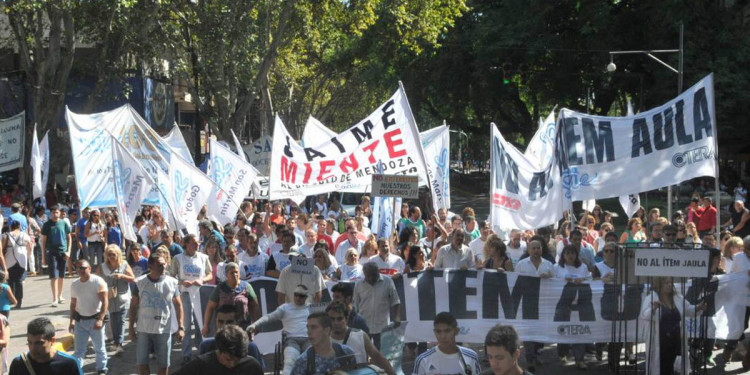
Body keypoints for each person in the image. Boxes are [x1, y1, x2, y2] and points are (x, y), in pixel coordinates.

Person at [129, 254, 185, 375]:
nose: (163, 267)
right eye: (159, 264)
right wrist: (130, 328)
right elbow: (133, 306)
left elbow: (178, 305)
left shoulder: (172, 283)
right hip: (144, 329)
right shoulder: (140, 282)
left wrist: (181, 327)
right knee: (142, 363)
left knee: (163, 363)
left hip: (164, 330)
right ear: (150, 266)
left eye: (164, 264)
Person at [640, 277, 706, 375]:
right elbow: (644, 315)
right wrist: (653, 309)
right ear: (659, 285)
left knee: (675, 366)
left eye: (670, 282)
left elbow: (688, 309)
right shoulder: (652, 298)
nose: (669, 285)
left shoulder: (677, 297)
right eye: (666, 283)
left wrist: (698, 307)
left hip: (676, 339)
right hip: (660, 340)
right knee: (662, 367)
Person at [247, 285, 311, 375]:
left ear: (306, 297)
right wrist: (254, 325)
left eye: (301, 295)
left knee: (312, 362)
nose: (298, 297)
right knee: (289, 363)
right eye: (296, 294)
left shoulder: (311, 308)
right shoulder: (285, 308)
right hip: (292, 340)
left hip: (309, 340)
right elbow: (269, 317)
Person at [171, 234, 213, 363]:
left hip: (200, 294)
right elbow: (172, 276)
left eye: (198, 242)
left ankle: (201, 351)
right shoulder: (178, 258)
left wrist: (202, 280)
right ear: (186, 244)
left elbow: (210, 274)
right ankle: (186, 354)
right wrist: (182, 282)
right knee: (186, 325)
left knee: (201, 323)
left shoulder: (204, 257)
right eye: (194, 242)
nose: (197, 244)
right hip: (185, 294)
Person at [326, 301, 396, 375]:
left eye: (339, 319)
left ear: (346, 319)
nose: (336, 322)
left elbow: (378, 358)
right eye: (332, 319)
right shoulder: (322, 341)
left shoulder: (360, 336)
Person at [553, 245, 591, 369]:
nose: (570, 256)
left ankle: (579, 359)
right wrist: (563, 280)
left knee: (579, 330)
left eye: (572, 253)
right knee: (563, 330)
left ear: (576, 255)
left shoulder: (583, 267)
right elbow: (552, 283)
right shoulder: (557, 267)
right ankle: (562, 353)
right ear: (563, 255)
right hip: (563, 304)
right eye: (567, 253)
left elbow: (589, 280)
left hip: (579, 305)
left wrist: (583, 279)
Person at [69, 259, 109, 375]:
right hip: (80, 320)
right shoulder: (75, 284)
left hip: (95, 319)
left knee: (99, 348)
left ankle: (101, 369)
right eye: (78, 268)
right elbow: (73, 303)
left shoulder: (97, 281)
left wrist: (100, 319)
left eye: (83, 268)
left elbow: (105, 302)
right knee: (79, 350)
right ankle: (77, 369)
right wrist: (71, 321)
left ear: (89, 269)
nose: (80, 270)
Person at [175, 325, 263, 374]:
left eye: (237, 360)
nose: (232, 364)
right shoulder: (201, 364)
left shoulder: (252, 366)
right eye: (228, 359)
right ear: (219, 350)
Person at [413, 311, 481, 375]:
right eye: (438, 331)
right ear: (434, 332)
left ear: (456, 331)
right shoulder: (423, 360)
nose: (443, 336)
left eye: (447, 331)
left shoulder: (471, 357)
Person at [96, 244, 135, 355]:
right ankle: (116, 342)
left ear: (118, 255)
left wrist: (122, 276)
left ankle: (119, 343)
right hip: (109, 299)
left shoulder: (124, 265)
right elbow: (95, 281)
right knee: (113, 321)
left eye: (113, 255)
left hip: (123, 298)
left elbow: (133, 279)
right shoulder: (102, 267)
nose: (111, 257)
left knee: (121, 321)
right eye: (108, 255)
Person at [202, 262, 260, 335]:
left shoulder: (247, 287)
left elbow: (255, 306)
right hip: (224, 327)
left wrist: (256, 324)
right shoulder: (220, 288)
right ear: (226, 275)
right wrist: (206, 326)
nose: (234, 275)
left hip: (243, 327)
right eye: (231, 273)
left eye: (236, 272)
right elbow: (210, 307)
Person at [198, 304, 264, 368]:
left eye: (229, 322)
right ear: (215, 322)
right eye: (220, 322)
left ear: (237, 323)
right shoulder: (206, 346)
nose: (224, 326)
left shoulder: (250, 348)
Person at [290, 312, 356, 375]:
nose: (308, 332)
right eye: (308, 327)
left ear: (327, 330)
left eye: (313, 327)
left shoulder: (346, 353)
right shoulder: (303, 361)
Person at [9, 317, 80, 375]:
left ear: (52, 341)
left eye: (39, 343)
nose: (33, 348)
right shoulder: (19, 363)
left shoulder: (68, 364)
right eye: (30, 342)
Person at [353, 262, 401, 349]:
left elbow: (395, 301)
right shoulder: (359, 284)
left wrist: (397, 317)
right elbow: (355, 305)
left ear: (378, 272)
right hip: (364, 326)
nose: (371, 278)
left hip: (382, 326)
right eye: (368, 276)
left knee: (381, 353)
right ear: (364, 274)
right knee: (364, 351)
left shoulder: (388, 282)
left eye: (374, 275)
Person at [41, 206, 72, 307]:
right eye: (53, 212)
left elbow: (69, 237)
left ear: (60, 213)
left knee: (62, 275)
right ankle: (54, 298)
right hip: (51, 252)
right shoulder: (47, 225)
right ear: (50, 213)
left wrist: (69, 251)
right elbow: (43, 241)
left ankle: (60, 295)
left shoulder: (64, 223)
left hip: (63, 252)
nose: (55, 214)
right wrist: (43, 257)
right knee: (53, 276)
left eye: (57, 212)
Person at [3, 220, 29, 309]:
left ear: (11, 227)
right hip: (21, 261)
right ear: (19, 227)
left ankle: (11, 300)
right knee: (19, 282)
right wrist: (27, 255)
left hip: (9, 260)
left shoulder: (6, 235)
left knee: (10, 281)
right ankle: (19, 302)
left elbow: (2, 248)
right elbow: (30, 244)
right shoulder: (24, 235)